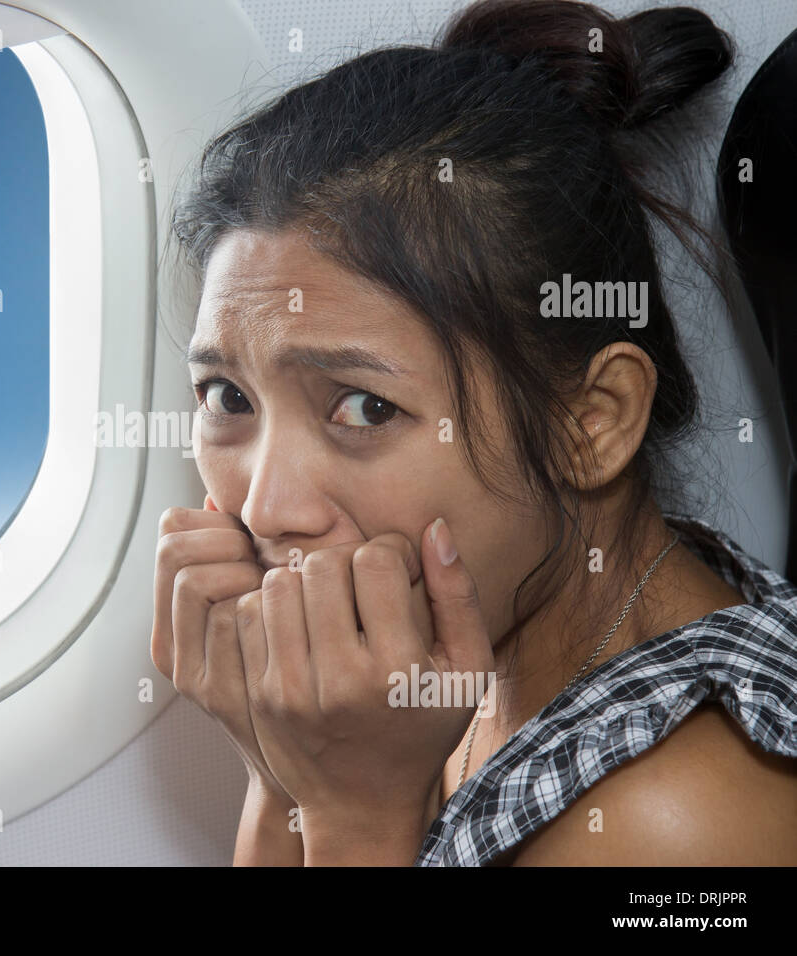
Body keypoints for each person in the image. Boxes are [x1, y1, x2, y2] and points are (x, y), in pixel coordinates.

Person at [152, 0, 797, 865]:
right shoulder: (435, 665)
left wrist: (360, 814)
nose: (266, 508)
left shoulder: (676, 826)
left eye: (365, 407)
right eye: (228, 397)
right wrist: (283, 772)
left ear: (591, 422)